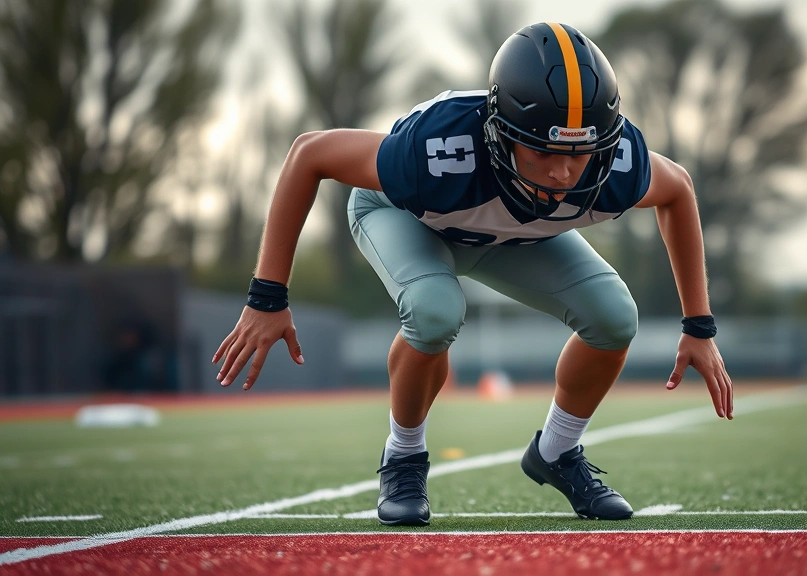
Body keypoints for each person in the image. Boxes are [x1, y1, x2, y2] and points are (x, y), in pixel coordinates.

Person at [213, 22, 733, 527]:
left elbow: (678, 190)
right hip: (406, 217)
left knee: (615, 316)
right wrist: (267, 297)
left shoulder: (617, 165)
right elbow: (311, 153)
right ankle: (404, 459)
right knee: (435, 311)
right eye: (544, 150)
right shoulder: (437, 152)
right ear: (498, 134)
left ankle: (556, 451)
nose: (562, 173)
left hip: (514, 237)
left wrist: (699, 327)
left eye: (580, 153)